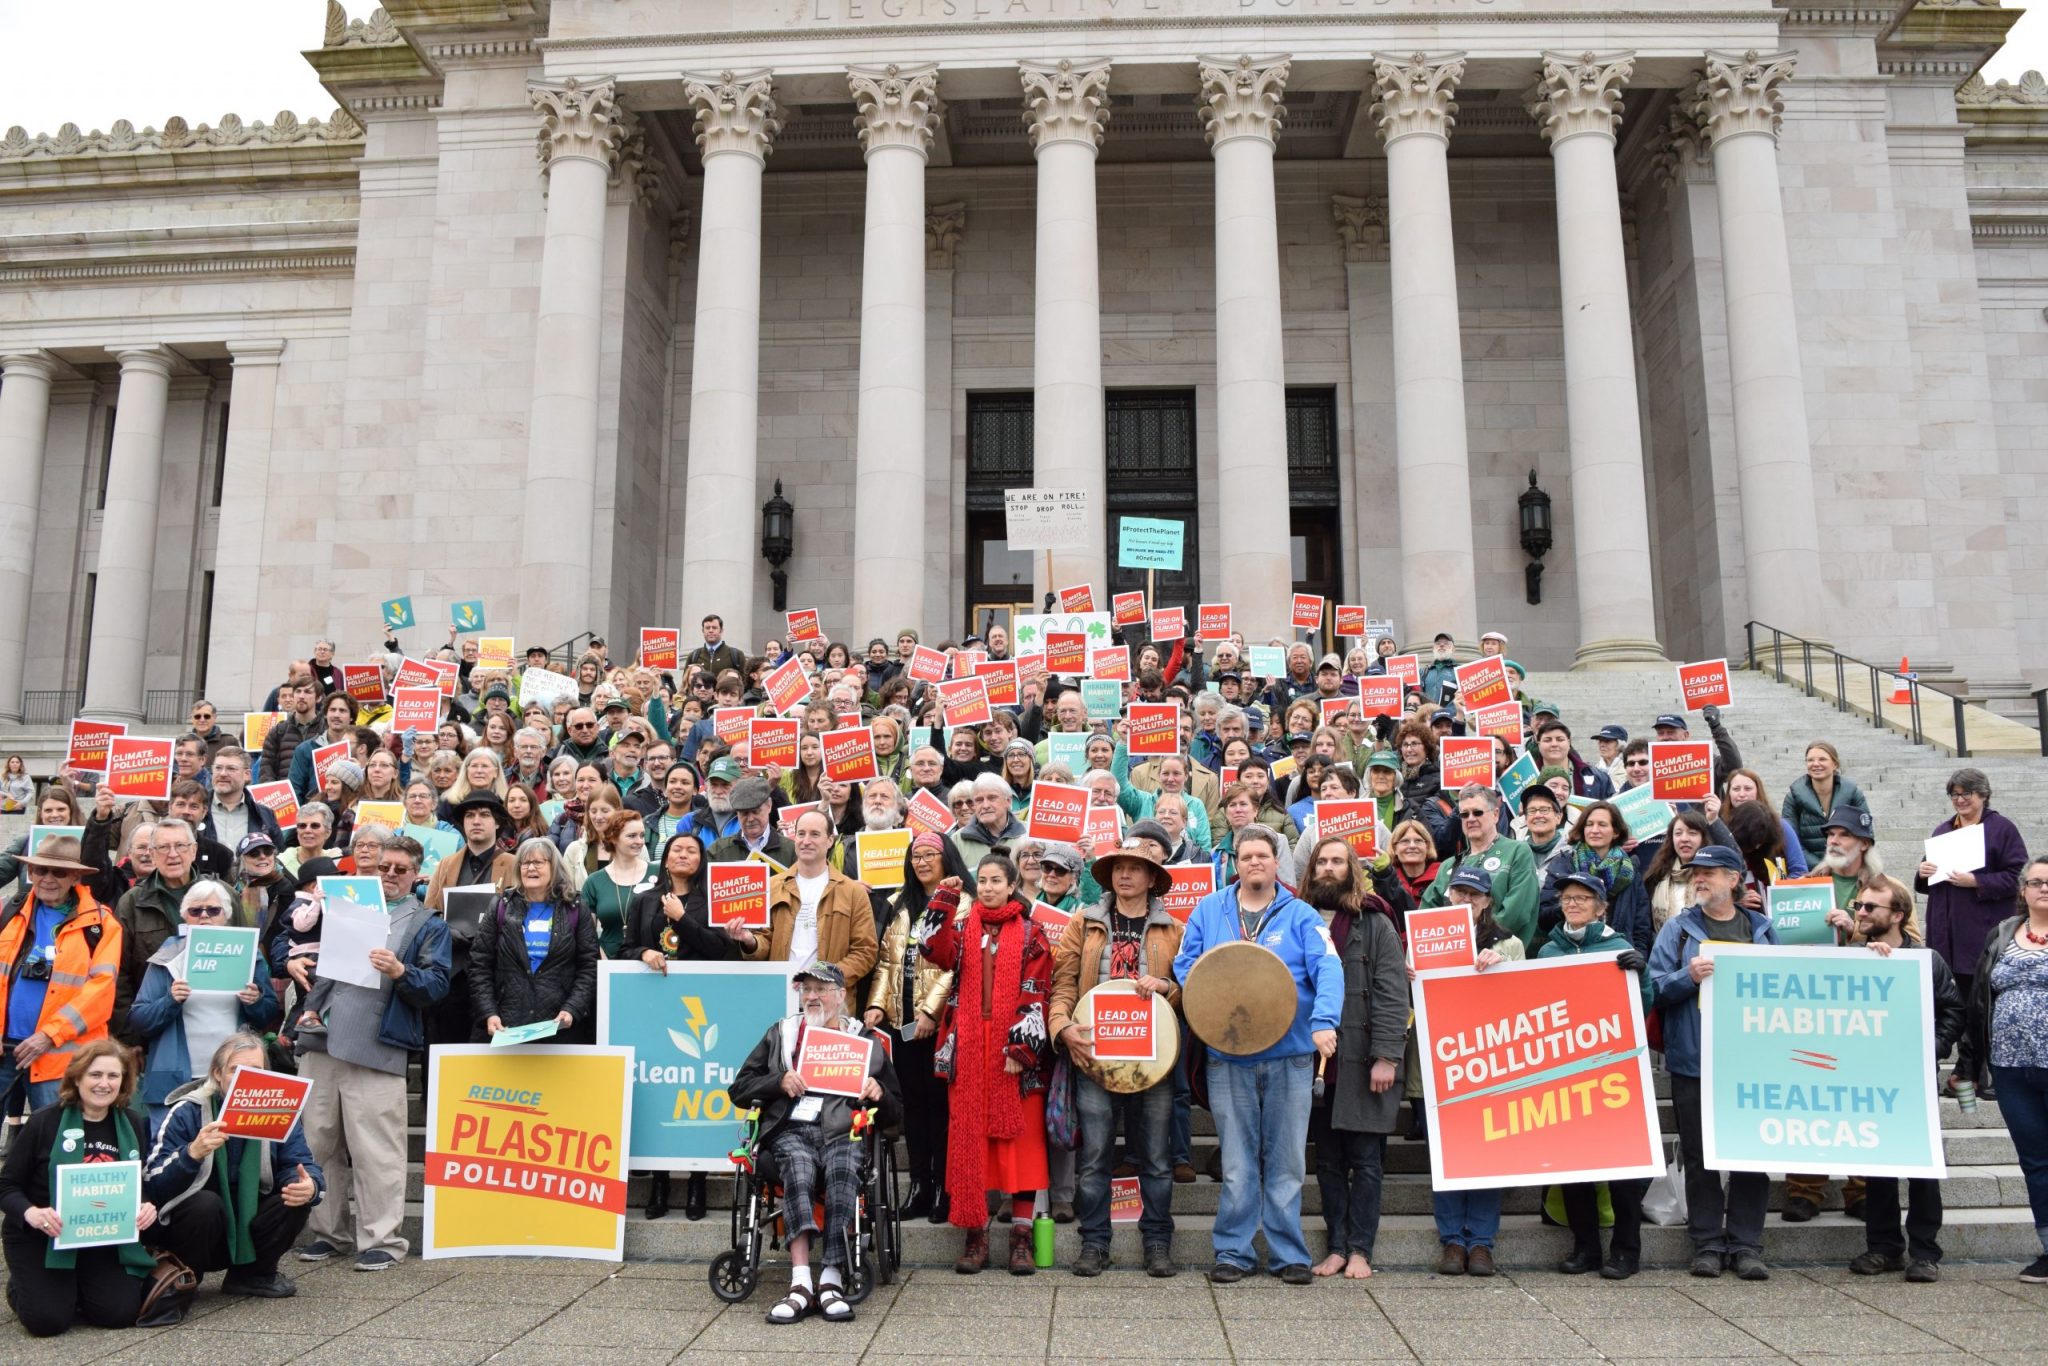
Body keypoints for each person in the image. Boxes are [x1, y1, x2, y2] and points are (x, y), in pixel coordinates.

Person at [1174, 824, 1339, 1286]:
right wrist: (1213, 997)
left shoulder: (1302, 914)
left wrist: (1324, 1020)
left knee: (1286, 1160)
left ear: (1275, 861)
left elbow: (1329, 967)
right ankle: (1234, 1251)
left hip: (1290, 1056)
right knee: (1237, 1162)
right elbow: (1187, 963)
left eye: (1262, 856)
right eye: (1246, 857)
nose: (1254, 863)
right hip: (1229, 1056)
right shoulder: (1209, 910)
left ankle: (1289, 1254)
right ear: (1236, 863)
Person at [293, 836, 449, 1271]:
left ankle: (383, 1238)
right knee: (318, 1141)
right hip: (322, 1039)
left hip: (377, 1045)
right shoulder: (347, 907)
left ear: (416, 874)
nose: (391, 875)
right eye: (384, 867)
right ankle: (329, 1232)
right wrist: (302, 996)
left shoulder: (427, 923)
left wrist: (402, 971)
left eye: (400, 869)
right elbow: (317, 964)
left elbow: (437, 986)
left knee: (376, 1150)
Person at [728, 962, 902, 1324]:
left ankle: (831, 1278)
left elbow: (896, 1111)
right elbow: (739, 1089)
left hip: (843, 1130)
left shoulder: (865, 1042)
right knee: (799, 1166)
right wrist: (778, 1081)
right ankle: (800, 1281)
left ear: (841, 996)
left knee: (842, 1169)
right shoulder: (782, 1034)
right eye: (806, 989)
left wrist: (879, 1092)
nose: (812, 996)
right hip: (791, 1130)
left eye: (821, 989)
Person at [1048, 840, 1183, 1279]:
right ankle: (1094, 1242)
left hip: (1155, 1060)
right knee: (1095, 1155)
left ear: (1151, 878)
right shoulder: (1082, 923)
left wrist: (1166, 986)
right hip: (1094, 1057)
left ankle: (1158, 1242)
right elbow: (1063, 983)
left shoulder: (1173, 929)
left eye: (1135, 868)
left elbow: (1190, 988)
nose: (1125, 875)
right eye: (1118, 868)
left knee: (1157, 1158)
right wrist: (1062, 1028)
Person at [1648, 844, 1778, 1280]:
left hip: (1750, 1062)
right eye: (1695, 873)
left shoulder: (1761, 928)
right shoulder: (1678, 932)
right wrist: (1690, 976)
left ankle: (1746, 1244)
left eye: (1710, 872)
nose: (1699, 879)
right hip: (1694, 1061)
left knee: (1750, 1153)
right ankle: (1706, 1242)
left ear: (1734, 879)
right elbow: (1654, 988)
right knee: (1700, 1156)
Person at [921, 855, 1055, 1276]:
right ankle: (975, 1234)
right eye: (983, 881)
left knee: (1023, 1146)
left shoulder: (1034, 933)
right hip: (968, 1050)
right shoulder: (961, 928)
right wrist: (943, 901)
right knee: (968, 1142)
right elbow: (932, 951)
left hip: (1016, 1056)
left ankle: (1020, 1237)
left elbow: (1038, 993)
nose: (989, 887)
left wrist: (1021, 1049)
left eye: (997, 880)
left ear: (1014, 885)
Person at [1837, 874, 1963, 1282]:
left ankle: (1925, 1252)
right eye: (1859, 905)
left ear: (1898, 914)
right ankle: (1883, 1248)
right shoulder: (1855, 955)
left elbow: (1953, 1011)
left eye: (1871, 907)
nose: (1861, 912)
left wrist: (1932, 1049)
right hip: (1869, 1076)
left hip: (1914, 1078)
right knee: (1877, 1165)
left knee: (1923, 1168)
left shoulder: (1925, 960)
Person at [143, 1033, 324, 1309]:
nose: (246, 1080)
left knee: (295, 1199)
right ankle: (187, 1275)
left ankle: (253, 1275)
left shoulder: (279, 1107)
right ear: (217, 1074)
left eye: (256, 1071)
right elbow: (152, 1182)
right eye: (236, 1071)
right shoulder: (188, 1110)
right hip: (198, 1223)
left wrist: (309, 1186)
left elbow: (298, 1163)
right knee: (205, 1204)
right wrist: (191, 1153)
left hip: (250, 1212)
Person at [1300, 836, 1405, 1281]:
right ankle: (1336, 1247)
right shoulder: (1297, 916)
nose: (1328, 868)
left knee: (1365, 1161)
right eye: (1321, 861)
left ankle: (1361, 1248)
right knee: (1326, 1162)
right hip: (1314, 1060)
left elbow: (1391, 991)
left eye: (1337, 861)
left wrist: (1387, 1055)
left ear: (1352, 868)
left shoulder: (1374, 919)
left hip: (1364, 1058)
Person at [0, 1039, 157, 1336]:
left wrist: (145, 1205)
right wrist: (32, 1213)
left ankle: (72, 1287)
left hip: (101, 1234)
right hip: (43, 1236)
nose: (104, 1084)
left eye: (113, 1076)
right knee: (48, 1322)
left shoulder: (132, 1123)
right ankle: (24, 1286)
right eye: (95, 1075)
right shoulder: (44, 1122)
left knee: (118, 1314)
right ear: (77, 1077)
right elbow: (6, 1185)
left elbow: (135, 1184)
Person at [1538, 872, 1651, 1279]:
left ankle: (1626, 1252)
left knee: (1622, 1171)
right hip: (1567, 1074)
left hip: (1614, 1071)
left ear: (1602, 907)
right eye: (1567, 898)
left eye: (1583, 898)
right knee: (1576, 1168)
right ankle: (1585, 1248)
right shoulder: (1549, 951)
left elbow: (1643, 1008)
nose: (1573, 904)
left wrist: (1643, 977)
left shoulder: (1618, 948)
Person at [622, 829, 733, 1221]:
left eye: (691, 850)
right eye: (676, 849)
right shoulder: (644, 899)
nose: (683, 855)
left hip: (700, 1008)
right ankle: (660, 1183)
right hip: (656, 1006)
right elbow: (625, 947)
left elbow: (721, 949)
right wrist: (645, 951)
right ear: (664, 858)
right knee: (663, 1094)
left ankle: (697, 1185)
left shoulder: (711, 899)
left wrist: (683, 919)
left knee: (695, 1087)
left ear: (701, 860)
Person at [864, 832, 968, 1226]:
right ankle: (920, 1187)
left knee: (941, 1110)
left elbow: (954, 964)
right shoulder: (898, 903)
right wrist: (876, 1005)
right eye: (916, 855)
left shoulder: (962, 902)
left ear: (947, 859)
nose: (922, 862)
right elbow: (886, 964)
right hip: (900, 1024)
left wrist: (930, 1012)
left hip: (941, 1026)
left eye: (930, 855)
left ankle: (945, 1188)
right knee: (914, 1110)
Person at [1427, 867, 1524, 1275]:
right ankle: (1452, 1240)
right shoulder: (1428, 936)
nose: (1465, 900)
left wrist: (1502, 964)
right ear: (1448, 895)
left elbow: (1524, 997)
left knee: (1486, 1152)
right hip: (1442, 1058)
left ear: (1487, 900)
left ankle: (1480, 1242)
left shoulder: (1510, 943)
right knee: (1446, 1152)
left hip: (1490, 1059)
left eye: (1474, 894)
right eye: (1459, 892)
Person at [1916, 767, 2029, 1101]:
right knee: (1957, 1009)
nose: (1960, 800)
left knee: (1978, 1009)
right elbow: (1926, 882)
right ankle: (1965, 1077)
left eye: (1966, 794)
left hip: (1980, 933)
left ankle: (1971, 1074)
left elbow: (2018, 878)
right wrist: (1922, 873)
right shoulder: (1942, 829)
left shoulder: (2002, 829)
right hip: (1944, 931)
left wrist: (1976, 881)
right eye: (1955, 794)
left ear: (1983, 795)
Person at [130, 881, 281, 1126]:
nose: (204, 917)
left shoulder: (248, 953)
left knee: (231, 1158)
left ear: (226, 915)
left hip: (234, 1080)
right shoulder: (167, 956)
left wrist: (255, 1002)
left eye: (213, 910)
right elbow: (139, 1019)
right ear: (184, 917)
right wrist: (170, 1000)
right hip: (174, 1083)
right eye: (195, 911)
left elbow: (269, 1015)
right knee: (172, 1156)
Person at [1967, 856, 2048, 1284]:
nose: (2043, 889)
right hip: (2011, 1068)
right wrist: (1969, 1061)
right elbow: (1980, 998)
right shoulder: (2002, 933)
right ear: (2023, 890)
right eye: (2036, 882)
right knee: (2035, 1161)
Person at [0, 836, 124, 1113]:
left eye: (59, 871)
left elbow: (101, 992)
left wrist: (48, 1035)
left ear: (76, 876)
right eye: (40, 870)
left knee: (58, 1145)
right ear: (29, 873)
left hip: (60, 1057)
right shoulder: (7, 911)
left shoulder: (102, 924)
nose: (47, 878)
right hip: (3, 1052)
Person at [725, 809, 880, 986]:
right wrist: (749, 941)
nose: (806, 841)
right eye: (801, 834)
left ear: (830, 840)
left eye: (815, 834)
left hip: (831, 1002)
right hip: (781, 998)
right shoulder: (771, 886)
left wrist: (825, 977)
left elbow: (865, 952)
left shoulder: (853, 892)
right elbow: (764, 942)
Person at [470, 837, 600, 1045]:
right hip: (507, 1024)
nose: (531, 868)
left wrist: (573, 1007)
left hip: (560, 1027)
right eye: (525, 863)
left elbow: (589, 967)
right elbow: (480, 964)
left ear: (554, 867)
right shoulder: (501, 906)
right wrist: (489, 1012)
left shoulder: (575, 908)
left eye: (538, 862)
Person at [1420, 786, 1539, 952]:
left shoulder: (1517, 852)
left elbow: (1517, 913)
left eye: (1477, 812)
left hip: (1499, 957)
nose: (1470, 819)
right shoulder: (1448, 865)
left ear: (1495, 815)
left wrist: (1473, 945)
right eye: (1464, 814)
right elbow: (1426, 916)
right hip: (1452, 958)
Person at [1780, 741, 1867, 869]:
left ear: (1835, 764)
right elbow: (1790, 840)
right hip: (1809, 871)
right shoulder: (1793, 797)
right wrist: (1820, 866)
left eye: (1822, 759)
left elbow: (1865, 834)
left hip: (1847, 867)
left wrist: (1838, 864)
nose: (1815, 764)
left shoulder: (1853, 793)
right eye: (1810, 760)